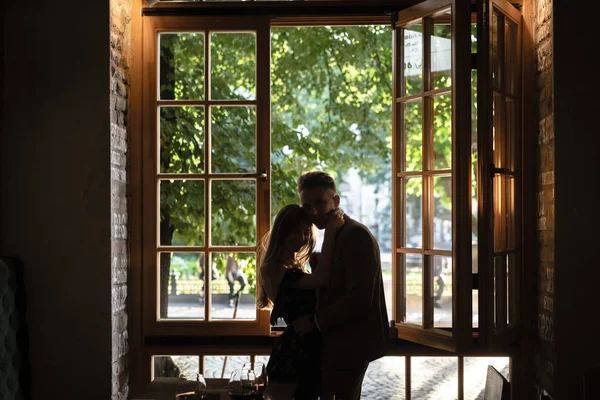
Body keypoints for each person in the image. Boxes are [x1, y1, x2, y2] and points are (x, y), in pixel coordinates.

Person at [292, 171, 391, 400]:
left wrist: (314, 322)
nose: (314, 212)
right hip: (341, 343)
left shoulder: (355, 235)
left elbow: (359, 298)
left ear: (336, 201)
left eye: (320, 203)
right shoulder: (337, 233)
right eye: (307, 206)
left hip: (350, 344)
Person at [257, 204, 344, 400]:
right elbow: (322, 281)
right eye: (294, 232)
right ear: (281, 232)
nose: (301, 238)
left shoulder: (294, 265)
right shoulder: (271, 268)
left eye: (305, 232)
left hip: (310, 350)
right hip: (294, 355)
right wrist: (330, 233)